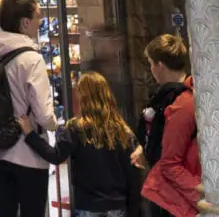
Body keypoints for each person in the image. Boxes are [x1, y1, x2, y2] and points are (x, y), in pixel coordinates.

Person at [0, 0, 58, 217]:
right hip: (28, 153)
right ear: (25, 23)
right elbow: (44, 116)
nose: (40, 23)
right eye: (38, 18)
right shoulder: (31, 59)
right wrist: (54, 126)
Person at [20, 71, 137, 217]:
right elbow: (132, 171)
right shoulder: (122, 129)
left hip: (89, 204)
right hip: (118, 205)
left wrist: (30, 133)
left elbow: (55, 156)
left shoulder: (76, 128)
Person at [132, 34, 201, 217]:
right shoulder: (188, 94)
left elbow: (170, 162)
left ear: (160, 65)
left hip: (177, 194)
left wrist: (202, 197)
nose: (151, 69)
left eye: (151, 63)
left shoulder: (181, 103)